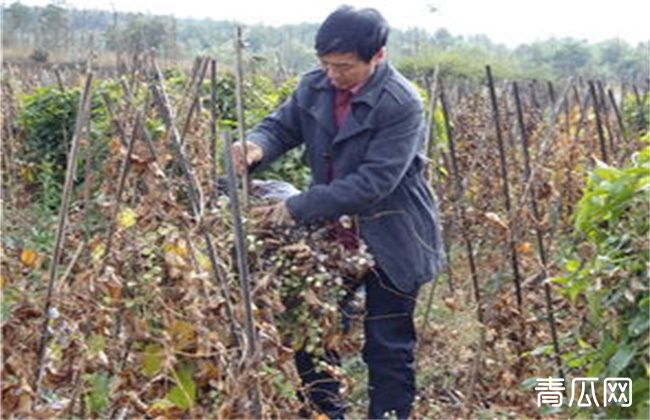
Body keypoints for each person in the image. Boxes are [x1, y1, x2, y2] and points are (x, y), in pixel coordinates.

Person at [232, 5, 445, 418]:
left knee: (387, 345)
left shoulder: (401, 103)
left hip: (393, 237)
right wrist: (257, 145)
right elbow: (280, 127)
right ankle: (325, 413)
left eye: (344, 66)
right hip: (333, 235)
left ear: (377, 56)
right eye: (326, 64)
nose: (333, 75)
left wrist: (295, 208)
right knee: (314, 333)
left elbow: (373, 184)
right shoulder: (315, 86)